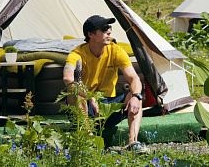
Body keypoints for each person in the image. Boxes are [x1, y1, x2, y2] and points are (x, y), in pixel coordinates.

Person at [63, 15, 149, 153]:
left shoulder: (116, 50)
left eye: (109, 28)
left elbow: (134, 78)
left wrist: (136, 96)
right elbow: (68, 79)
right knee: (74, 92)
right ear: (90, 34)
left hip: (107, 108)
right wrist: (90, 97)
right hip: (86, 109)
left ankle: (132, 142)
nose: (109, 31)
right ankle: (89, 140)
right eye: (104, 29)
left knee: (135, 95)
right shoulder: (77, 54)